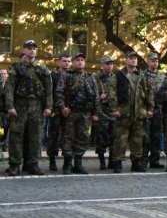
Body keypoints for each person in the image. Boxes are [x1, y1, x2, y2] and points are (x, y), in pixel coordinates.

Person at [4, 40, 52, 176]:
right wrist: (10, 106)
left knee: (35, 136)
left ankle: (33, 164)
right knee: (16, 136)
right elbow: (9, 89)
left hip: (36, 106)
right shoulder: (17, 68)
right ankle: (15, 164)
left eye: (34, 49)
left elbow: (49, 89)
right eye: (29, 48)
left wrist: (49, 106)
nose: (32, 51)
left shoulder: (42, 69)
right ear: (24, 51)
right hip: (20, 105)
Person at [108, 50, 154, 173]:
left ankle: (136, 163)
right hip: (123, 112)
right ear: (126, 60)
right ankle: (117, 162)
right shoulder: (118, 75)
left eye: (135, 58)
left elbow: (149, 93)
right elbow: (112, 93)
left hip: (139, 113)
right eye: (131, 58)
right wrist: (114, 109)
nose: (133, 60)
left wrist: (150, 108)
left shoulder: (142, 76)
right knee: (120, 139)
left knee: (137, 139)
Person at [55, 52, 100, 174]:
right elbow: (59, 92)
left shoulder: (90, 77)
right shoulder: (66, 75)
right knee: (68, 137)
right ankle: (67, 164)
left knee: (83, 137)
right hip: (71, 112)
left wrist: (96, 112)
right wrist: (62, 107)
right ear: (73, 62)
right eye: (77, 60)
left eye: (82, 60)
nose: (80, 62)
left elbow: (96, 96)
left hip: (85, 113)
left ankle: (78, 163)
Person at [46, 53, 71, 171]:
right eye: (64, 61)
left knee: (68, 136)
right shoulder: (52, 76)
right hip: (55, 110)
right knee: (53, 136)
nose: (67, 63)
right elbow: (49, 93)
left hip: (69, 111)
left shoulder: (72, 75)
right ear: (59, 62)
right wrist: (49, 108)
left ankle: (67, 161)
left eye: (68, 61)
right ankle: (52, 160)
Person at [143, 52, 166, 169]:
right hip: (146, 110)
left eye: (156, 61)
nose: (155, 63)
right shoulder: (142, 76)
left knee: (156, 137)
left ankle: (155, 160)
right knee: (145, 137)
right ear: (148, 62)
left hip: (159, 110)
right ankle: (143, 161)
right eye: (153, 61)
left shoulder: (163, 76)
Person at [94, 55, 115, 170]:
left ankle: (112, 160)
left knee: (114, 136)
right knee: (101, 137)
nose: (110, 66)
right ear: (102, 65)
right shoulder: (96, 78)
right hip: (101, 110)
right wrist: (99, 97)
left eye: (111, 64)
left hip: (113, 110)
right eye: (107, 64)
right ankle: (102, 161)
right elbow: (90, 94)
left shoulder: (115, 77)